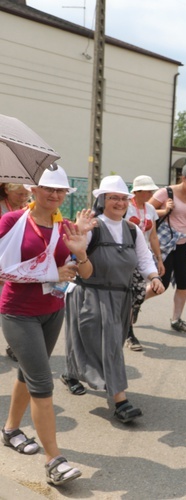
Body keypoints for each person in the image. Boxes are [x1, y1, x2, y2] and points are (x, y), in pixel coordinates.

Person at [0, 166, 89, 485]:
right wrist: (48, 274)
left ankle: (10, 430)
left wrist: (80, 254)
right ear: (33, 190)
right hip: (18, 312)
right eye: (48, 188)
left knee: (27, 373)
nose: (54, 194)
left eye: (60, 190)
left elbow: (86, 273)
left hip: (53, 310)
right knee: (42, 383)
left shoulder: (65, 227)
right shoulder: (11, 222)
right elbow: (2, 270)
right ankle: (54, 460)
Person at [62, 176, 165, 423]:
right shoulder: (93, 226)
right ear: (103, 200)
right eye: (113, 198)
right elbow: (72, 256)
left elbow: (143, 257)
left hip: (121, 297)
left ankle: (71, 373)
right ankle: (121, 401)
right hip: (90, 293)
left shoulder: (133, 230)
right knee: (106, 345)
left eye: (123, 198)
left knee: (109, 344)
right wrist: (81, 232)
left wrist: (153, 276)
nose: (119, 202)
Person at [148, 164, 186, 333]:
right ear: (183, 178)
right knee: (161, 284)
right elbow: (145, 212)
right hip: (165, 244)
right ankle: (134, 302)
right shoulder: (165, 193)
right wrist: (165, 210)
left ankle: (176, 319)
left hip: (183, 244)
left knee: (183, 283)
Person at [124, 175, 165, 351]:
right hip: (124, 256)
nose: (151, 193)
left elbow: (153, 236)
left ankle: (131, 315)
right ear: (137, 191)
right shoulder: (126, 207)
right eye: (148, 190)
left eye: (151, 190)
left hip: (142, 256)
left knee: (139, 294)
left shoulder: (150, 209)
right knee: (129, 295)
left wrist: (159, 259)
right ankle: (129, 334)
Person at [0, 182, 30, 362]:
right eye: (19, 194)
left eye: (25, 194)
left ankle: (15, 346)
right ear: (6, 191)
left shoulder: (28, 208)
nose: (23, 198)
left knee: (17, 310)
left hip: (20, 267)